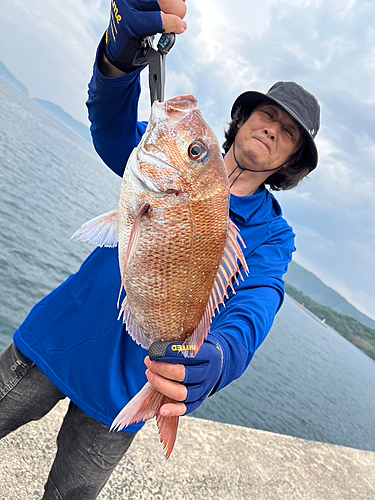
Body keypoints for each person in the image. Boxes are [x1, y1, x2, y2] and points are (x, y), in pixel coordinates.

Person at [0, 0, 321, 498]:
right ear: (243, 117)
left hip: (128, 391)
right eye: (267, 113)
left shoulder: (274, 237)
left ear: (293, 158)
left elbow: (256, 306)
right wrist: (119, 55)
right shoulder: (165, 161)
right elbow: (110, 128)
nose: (272, 128)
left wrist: (219, 358)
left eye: (289, 132)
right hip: (58, 337)